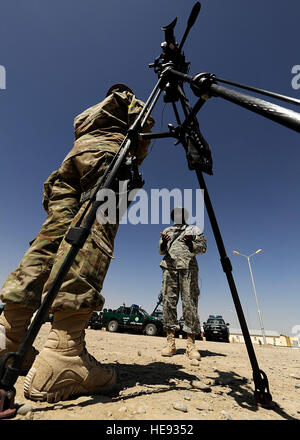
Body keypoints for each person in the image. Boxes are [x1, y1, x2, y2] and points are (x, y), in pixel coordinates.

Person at [0, 83, 154, 403]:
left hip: (71, 160)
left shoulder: (87, 115)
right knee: (94, 228)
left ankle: (9, 334)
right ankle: (64, 352)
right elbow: (144, 126)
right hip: (109, 154)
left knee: (49, 239)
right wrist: (136, 156)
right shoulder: (126, 101)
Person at [159, 207, 206, 360]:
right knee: (168, 303)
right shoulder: (168, 230)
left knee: (190, 304)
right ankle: (170, 343)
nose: (178, 216)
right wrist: (164, 243)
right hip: (169, 268)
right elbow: (161, 250)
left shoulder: (194, 229)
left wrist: (191, 243)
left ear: (185, 216)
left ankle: (190, 345)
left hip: (188, 269)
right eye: (175, 214)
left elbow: (203, 248)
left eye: (181, 214)